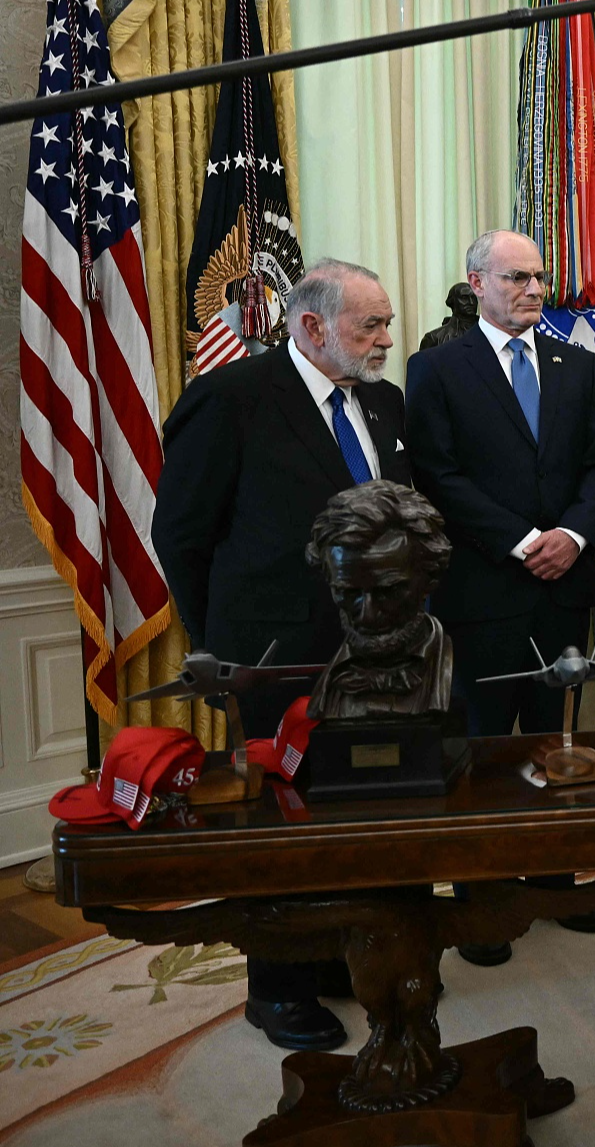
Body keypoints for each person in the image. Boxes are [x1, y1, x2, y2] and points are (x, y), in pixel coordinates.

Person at [152, 258, 405, 1053]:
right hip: (274, 657)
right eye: (371, 325)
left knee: (363, 810)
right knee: (283, 822)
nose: (386, 340)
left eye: (387, 323)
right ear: (310, 327)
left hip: (378, 646)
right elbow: (182, 535)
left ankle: (337, 953)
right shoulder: (230, 399)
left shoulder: (386, 404)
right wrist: (226, 647)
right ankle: (278, 989)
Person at [405, 230, 595, 957]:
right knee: (487, 745)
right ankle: (484, 896)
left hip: (565, 586)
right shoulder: (436, 369)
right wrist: (525, 541)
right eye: (517, 278)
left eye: (539, 276)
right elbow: (438, 475)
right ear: (476, 282)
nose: (534, 289)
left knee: (555, 739)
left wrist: (575, 536)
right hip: (486, 584)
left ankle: (555, 879)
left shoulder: (576, 363)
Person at [303, 480, 456, 720]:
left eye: (389, 591)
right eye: (348, 592)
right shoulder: (324, 688)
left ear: (430, 580)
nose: (368, 615)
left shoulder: (460, 679)